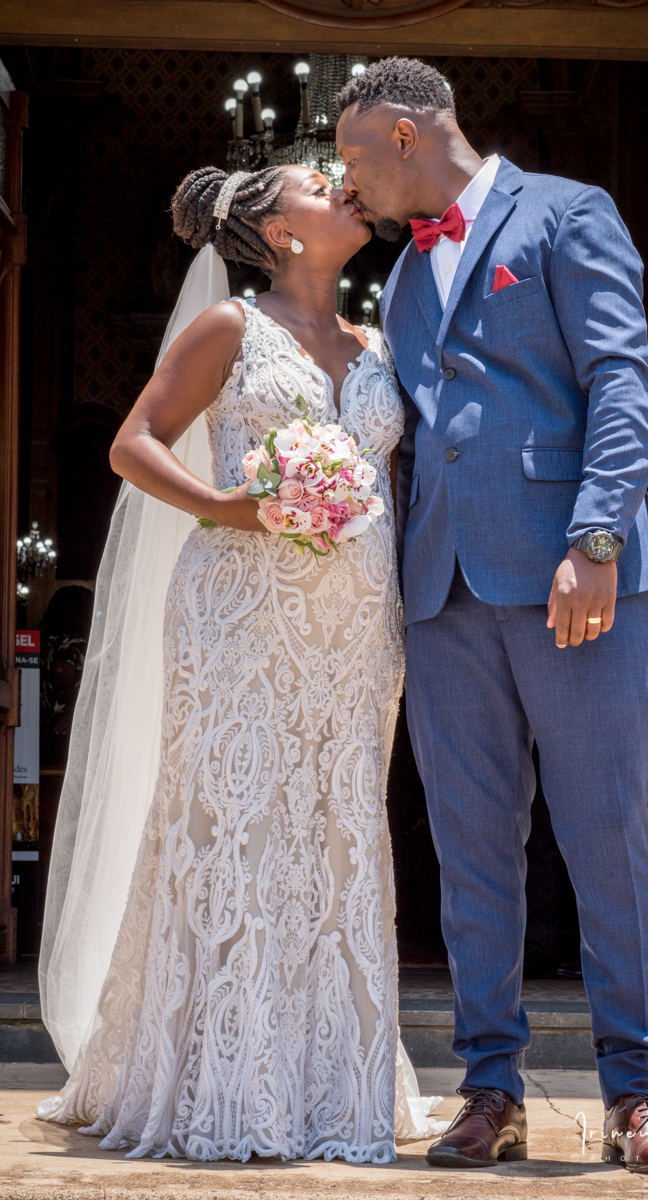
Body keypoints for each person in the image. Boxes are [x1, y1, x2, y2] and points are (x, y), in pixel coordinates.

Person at [36, 163, 445, 1161]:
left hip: (354, 631)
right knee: (233, 825)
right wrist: (226, 506)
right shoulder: (232, 330)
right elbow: (132, 444)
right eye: (317, 181)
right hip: (238, 616)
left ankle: (326, 1079)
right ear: (275, 229)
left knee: (338, 833)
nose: (344, 184)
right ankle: (220, 1072)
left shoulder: (382, 343)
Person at [336, 57, 648, 1177]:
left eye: (352, 155)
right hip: (442, 594)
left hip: (577, 583)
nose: (347, 183)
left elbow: (623, 382)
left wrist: (596, 539)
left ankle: (636, 1093)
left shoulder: (567, 214)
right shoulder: (400, 281)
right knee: (470, 855)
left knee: (605, 840)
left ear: (406, 133)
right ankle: (490, 1088)